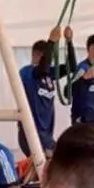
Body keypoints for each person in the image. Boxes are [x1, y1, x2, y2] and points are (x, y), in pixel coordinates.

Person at [18, 27, 77, 161]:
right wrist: (51, 41)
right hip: (32, 132)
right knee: (56, 162)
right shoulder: (27, 73)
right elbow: (42, 69)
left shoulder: (49, 73)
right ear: (36, 55)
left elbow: (72, 67)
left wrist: (69, 42)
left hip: (46, 134)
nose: (49, 62)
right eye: (47, 58)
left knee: (54, 164)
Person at [70, 34, 94, 126]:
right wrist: (84, 79)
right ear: (92, 49)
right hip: (82, 120)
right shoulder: (82, 68)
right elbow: (68, 90)